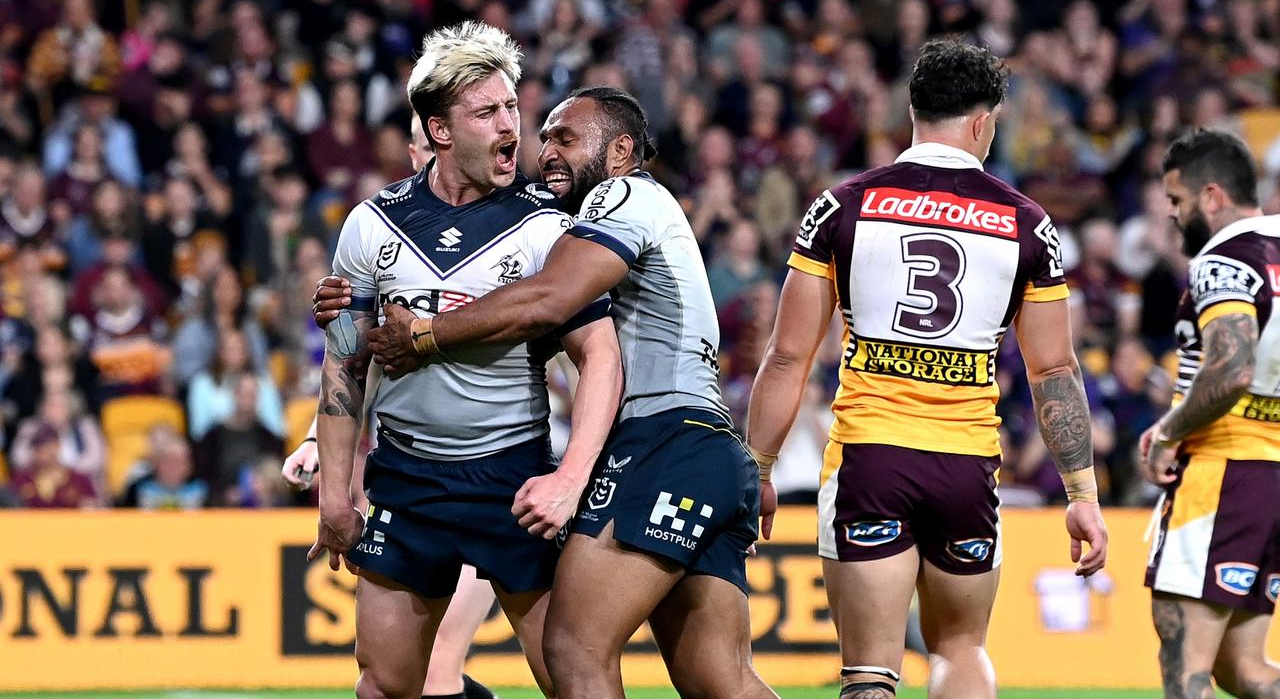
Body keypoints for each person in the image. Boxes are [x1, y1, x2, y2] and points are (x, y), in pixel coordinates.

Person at [315, 85, 775, 699]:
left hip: (662, 440)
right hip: (700, 444)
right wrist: (351, 313)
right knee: (720, 680)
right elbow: (353, 349)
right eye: (547, 136)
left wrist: (424, 333)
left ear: (619, 151)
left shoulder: (625, 194)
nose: (545, 151)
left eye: (565, 138)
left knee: (573, 650)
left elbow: (547, 300)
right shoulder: (565, 223)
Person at [745, 39, 1108, 699]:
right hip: (965, 467)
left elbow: (788, 357)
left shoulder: (841, 207)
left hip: (869, 460)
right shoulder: (1028, 225)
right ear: (982, 122)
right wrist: (1082, 494)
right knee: (960, 650)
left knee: (869, 674)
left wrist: (761, 469)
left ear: (912, 111)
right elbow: (1054, 370)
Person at [306, 21, 622, 699]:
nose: (513, 125)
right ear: (441, 131)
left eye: (512, 106)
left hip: (511, 477)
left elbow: (598, 356)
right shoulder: (373, 223)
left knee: (576, 680)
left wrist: (571, 475)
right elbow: (343, 366)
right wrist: (336, 495)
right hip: (407, 479)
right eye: (488, 112)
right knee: (384, 686)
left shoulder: (548, 227)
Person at [283, 110, 500, 699]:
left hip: (506, 473)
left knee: (449, 667)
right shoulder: (386, 236)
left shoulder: (514, 225)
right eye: (423, 143)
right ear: (415, 150)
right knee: (414, 675)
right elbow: (360, 359)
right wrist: (313, 438)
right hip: (418, 480)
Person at [1140, 128, 1280, 699]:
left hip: (1221, 472)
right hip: (1272, 477)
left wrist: (1167, 433)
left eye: (1177, 201)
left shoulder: (1224, 259)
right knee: (1244, 672)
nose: (1174, 216)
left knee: (1187, 669)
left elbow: (1229, 369)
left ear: (1213, 196)